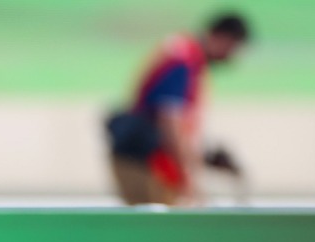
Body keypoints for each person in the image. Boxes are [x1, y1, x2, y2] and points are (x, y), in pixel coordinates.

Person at [107, 12, 251, 206]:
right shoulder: (183, 59)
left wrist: (204, 157)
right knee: (157, 230)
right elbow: (170, 121)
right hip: (146, 163)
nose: (231, 57)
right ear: (223, 38)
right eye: (233, 48)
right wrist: (189, 178)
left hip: (146, 158)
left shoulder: (185, 55)